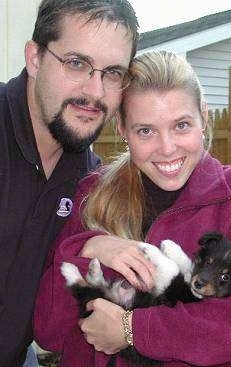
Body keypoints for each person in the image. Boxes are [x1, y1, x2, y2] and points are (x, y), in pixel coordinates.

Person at [34, 50, 231, 367]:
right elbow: (48, 332)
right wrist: (87, 246)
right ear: (122, 129)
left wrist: (133, 330)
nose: (167, 148)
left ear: (204, 117)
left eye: (181, 125)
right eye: (145, 130)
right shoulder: (91, 194)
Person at [0, 0, 139, 365]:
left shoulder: (90, 184)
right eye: (77, 63)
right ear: (35, 58)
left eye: (112, 73)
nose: (95, 92)